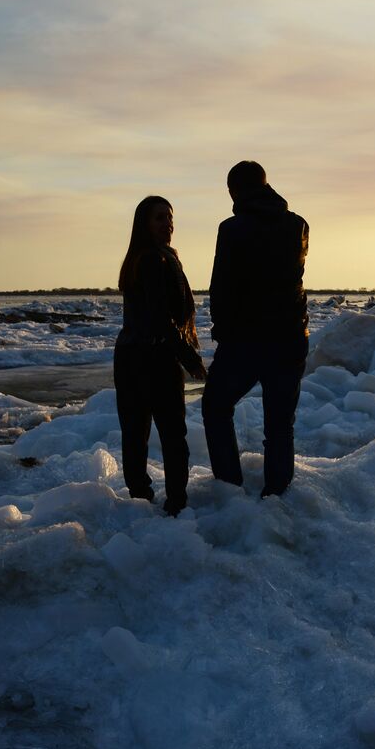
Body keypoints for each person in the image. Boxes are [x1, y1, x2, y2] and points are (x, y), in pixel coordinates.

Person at [202, 161, 310, 497]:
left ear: (235, 190)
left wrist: (222, 333)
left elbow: (221, 287)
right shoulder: (298, 225)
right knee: (280, 425)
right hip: (290, 338)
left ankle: (229, 487)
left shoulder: (232, 229)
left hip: (246, 341)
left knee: (216, 406)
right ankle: (276, 495)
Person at [114, 195, 206, 516]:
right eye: (159, 218)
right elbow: (160, 318)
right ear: (144, 224)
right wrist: (189, 358)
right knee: (169, 433)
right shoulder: (152, 260)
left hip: (132, 356)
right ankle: (175, 504)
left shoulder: (155, 257)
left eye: (170, 218)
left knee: (136, 433)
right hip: (151, 356)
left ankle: (141, 499)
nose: (167, 224)